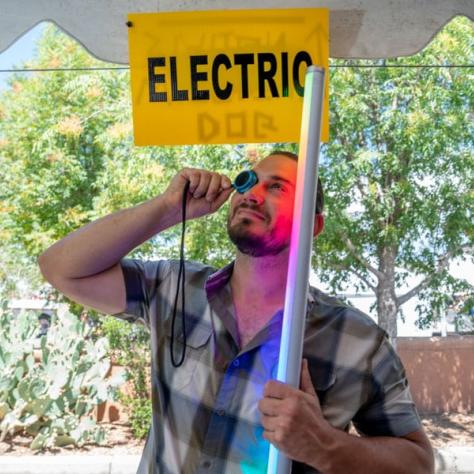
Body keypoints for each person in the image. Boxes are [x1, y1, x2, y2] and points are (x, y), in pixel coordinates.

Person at [38, 151, 434, 473]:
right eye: (249, 181)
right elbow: (61, 268)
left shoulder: (358, 340)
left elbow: (418, 463)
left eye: (277, 187)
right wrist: (166, 209)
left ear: (313, 226)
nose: (252, 194)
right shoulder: (173, 289)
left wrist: (326, 446)